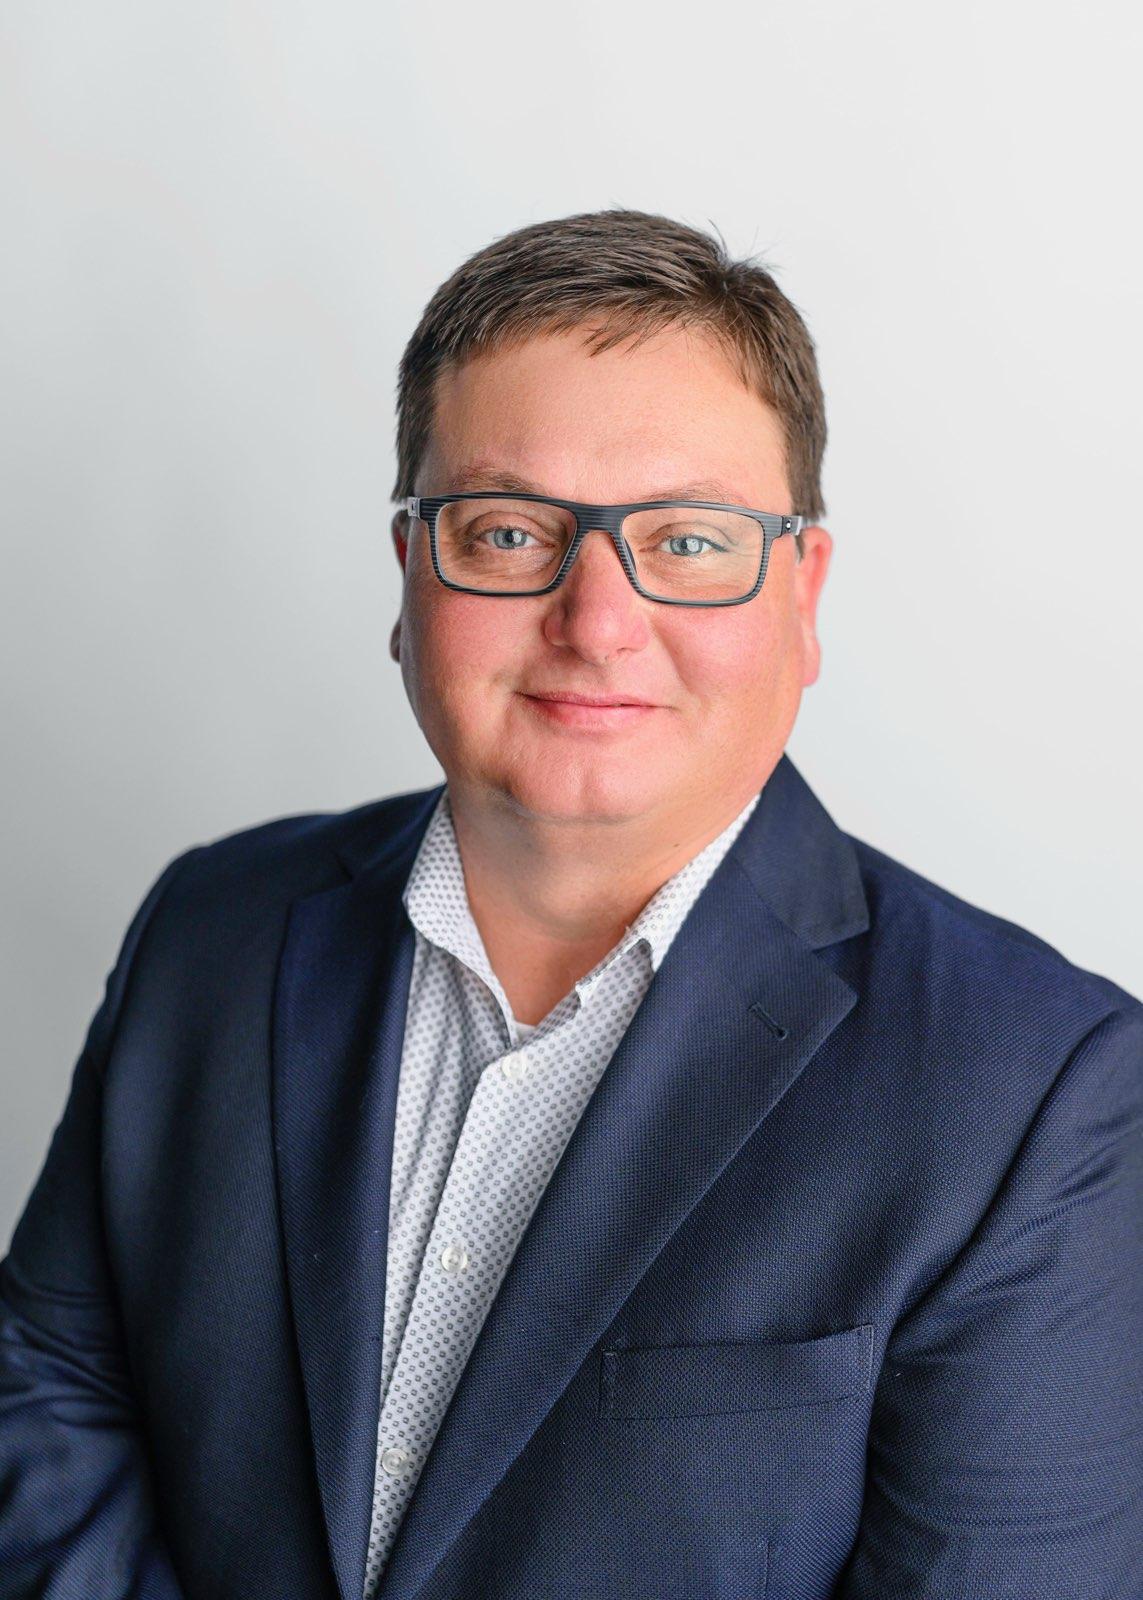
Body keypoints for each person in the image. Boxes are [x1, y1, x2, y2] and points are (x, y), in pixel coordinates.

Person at [1, 208, 1139, 1600]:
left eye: (689, 540)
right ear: (413, 573)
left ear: (803, 593)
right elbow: (51, 1386)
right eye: (507, 528)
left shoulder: (1038, 1094)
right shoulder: (211, 930)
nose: (596, 619)